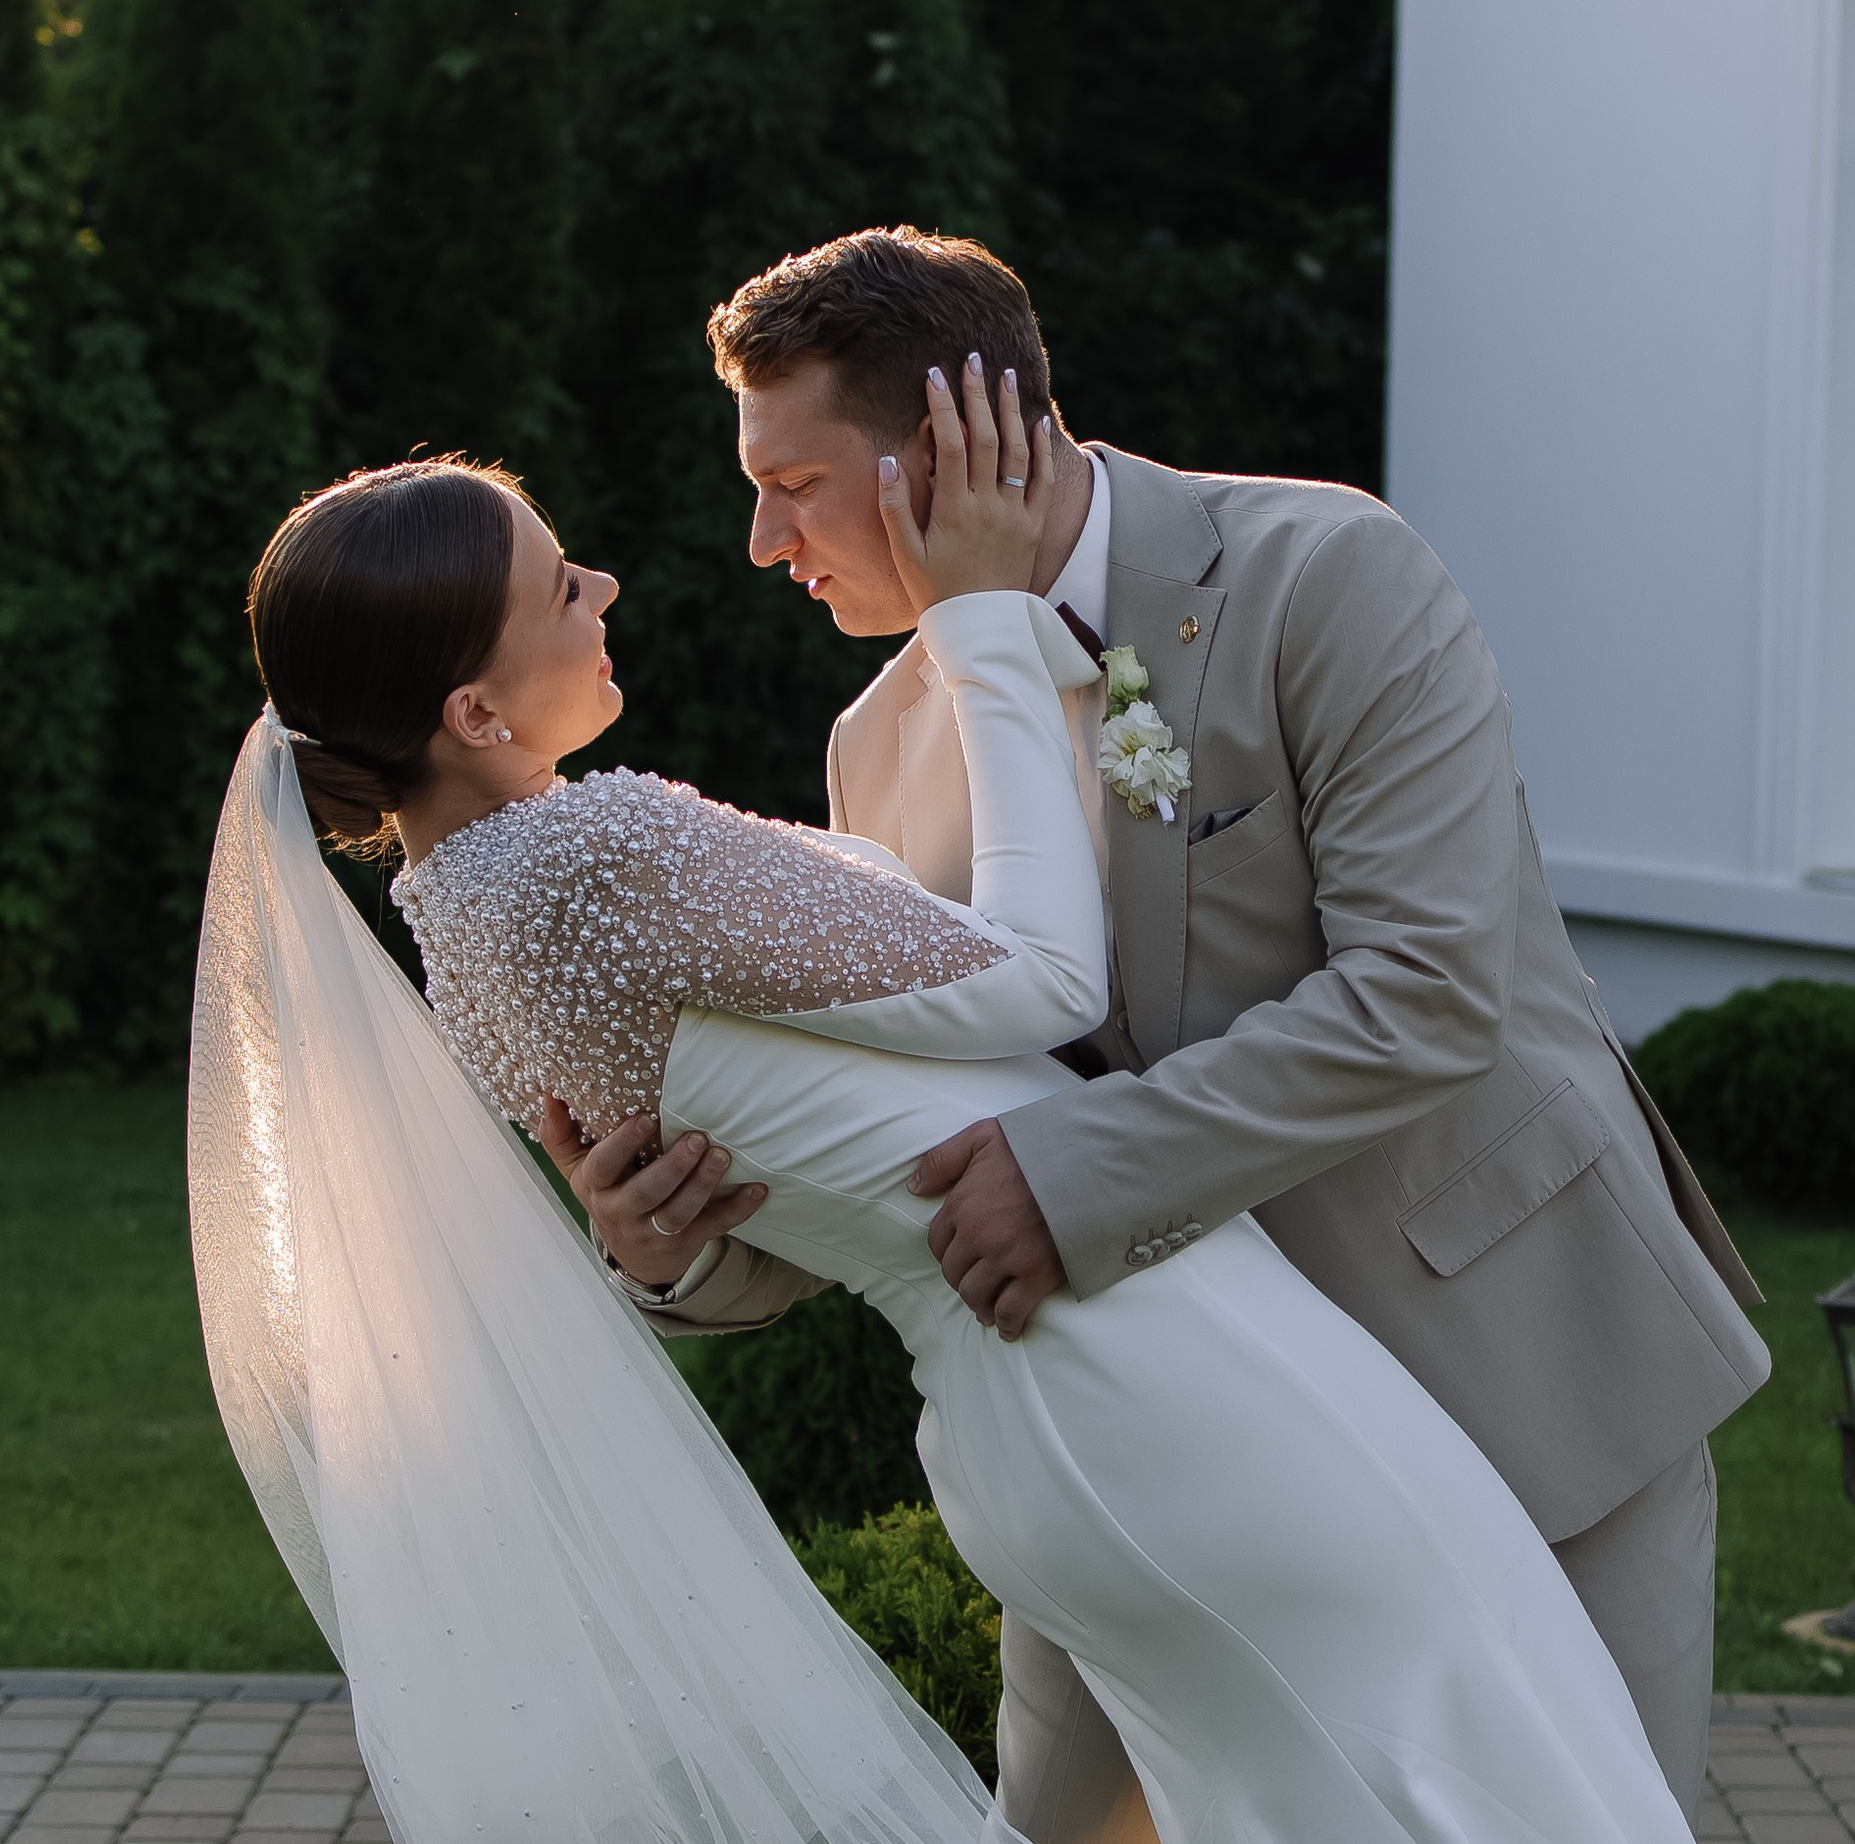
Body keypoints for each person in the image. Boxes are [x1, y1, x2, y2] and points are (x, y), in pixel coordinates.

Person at [191, 414, 1698, 1844]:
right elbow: (1036, 987)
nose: (650, 570)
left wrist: (655, 1242)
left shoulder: (463, 924)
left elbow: (825, 1132)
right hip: (1157, 1378)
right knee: (1496, 1773)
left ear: (940, 451)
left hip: (1104, 1406)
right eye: (561, 583)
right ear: (472, 712)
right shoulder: (618, 841)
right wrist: (983, 629)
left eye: (792, 477)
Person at [552, 225, 1768, 1840]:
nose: (764, 541)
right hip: (1158, 1443)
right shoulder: (882, 745)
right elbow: (921, 1153)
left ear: (963, 445)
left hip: (1513, 1372)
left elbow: (1429, 990)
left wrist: (1077, 1176)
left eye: (796, 485)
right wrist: (680, 1248)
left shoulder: (1325, 575)